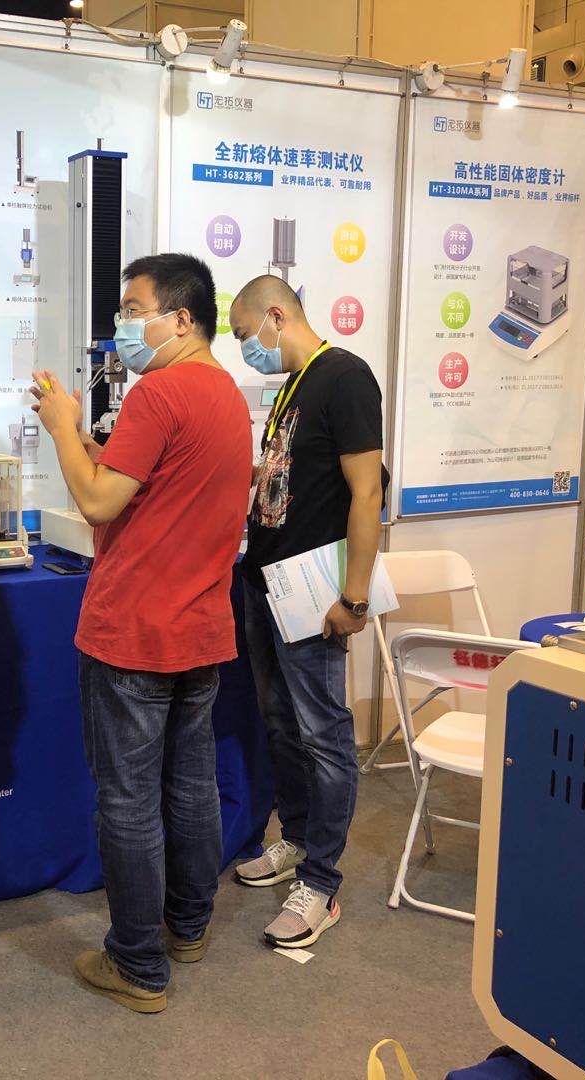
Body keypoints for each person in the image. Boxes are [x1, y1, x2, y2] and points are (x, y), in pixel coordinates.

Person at [30, 253, 252, 1014]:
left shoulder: (157, 393)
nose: (123, 325)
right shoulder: (223, 393)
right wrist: (88, 443)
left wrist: (62, 430)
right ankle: (186, 927)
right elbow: (144, 485)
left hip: (134, 632)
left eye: (133, 310)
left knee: (128, 800)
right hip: (198, 629)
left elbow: (97, 503)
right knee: (190, 786)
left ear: (181, 319)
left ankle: (136, 963)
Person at [226, 274, 386, 950]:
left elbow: (367, 492)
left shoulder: (345, 377)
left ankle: (321, 882)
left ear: (275, 314)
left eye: (245, 335)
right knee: (281, 722)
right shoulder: (293, 385)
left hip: (314, 592)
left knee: (324, 734)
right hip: (266, 583)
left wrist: (355, 595)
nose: (246, 348)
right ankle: (295, 837)